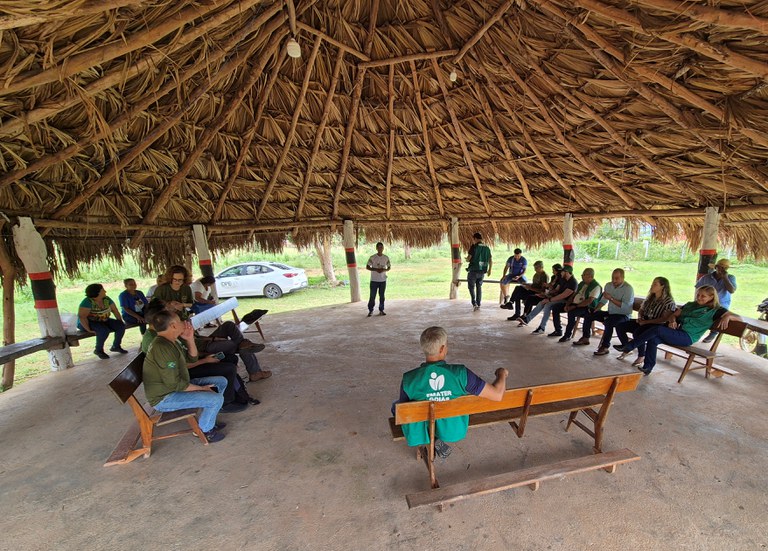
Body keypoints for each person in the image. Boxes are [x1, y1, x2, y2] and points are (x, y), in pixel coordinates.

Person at [393, 326, 508, 458]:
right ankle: (436, 437)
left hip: (424, 428)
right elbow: (498, 395)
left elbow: (405, 412)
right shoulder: (461, 374)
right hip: (453, 430)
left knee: (398, 407)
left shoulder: (409, 378)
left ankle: (428, 439)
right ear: (442, 349)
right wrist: (502, 374)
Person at [141, 302, 250, 413]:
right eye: (168, 312)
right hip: (181, 375)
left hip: (183, 370)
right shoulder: (159, 342)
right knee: (228, 368)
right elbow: (175, 376)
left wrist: (190, 339)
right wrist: (205, 361)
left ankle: (237, 394)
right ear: (162, 319)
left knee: (230, 359)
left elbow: (189, 357)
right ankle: (225, 403)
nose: (171, 312)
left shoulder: (169, 336)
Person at [142, 309, 227, 442]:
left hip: (176, 387)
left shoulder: (171, 341)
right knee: (215, 399)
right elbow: (174, 384)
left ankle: (209, 420)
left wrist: (189, 338)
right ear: (173, 326)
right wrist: (202, 389)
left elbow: (192, 359)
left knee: (221, 381)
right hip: (164, 397)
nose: (184, 322)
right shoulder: (162, 347)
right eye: (180, 320)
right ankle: (205, 431)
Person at [617, 285, 738, 375]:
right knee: (653, 338)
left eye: (703, 296)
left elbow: (739, 318)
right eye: (698, 294)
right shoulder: (691, 304)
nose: (699, 298)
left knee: (657, 329)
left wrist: (727, 316)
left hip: (687, 336)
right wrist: (673, 320)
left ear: (711, 297)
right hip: (676, 332)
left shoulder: (716, 310)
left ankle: (630, 346)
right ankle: (648, 367)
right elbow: (674, 314)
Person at [614, 277, 677, 367]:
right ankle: (626, 347)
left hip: (655, 325)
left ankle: (641, 356)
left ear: (662, 286)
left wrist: (646, 322)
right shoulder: (651, 297)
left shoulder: (668, 302)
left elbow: (664, 319)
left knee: (638, 333)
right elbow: (641, 309)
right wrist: (640, 317)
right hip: (644, 321)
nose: (652, 286)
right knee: (620, 326)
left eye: (655, 284)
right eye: (652, 283)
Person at [577, 268, 634, 354]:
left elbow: (626, 307)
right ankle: (585, 337)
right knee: (589, 315)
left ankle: (604, 347)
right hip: (611, 313)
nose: (614, 280)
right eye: (612, 278)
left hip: (623, 315)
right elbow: (604, 300)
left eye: (617, 278)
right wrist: (596, 309)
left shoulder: (628, 289)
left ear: (623, 278)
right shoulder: (608, 285)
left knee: (608, 322)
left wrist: (611, 298)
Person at [518, 265, 576, 335]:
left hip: (566, 301)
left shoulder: (573, 282)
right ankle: (527, 319)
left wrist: (549, 299)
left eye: (562, 272)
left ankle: (542, 328)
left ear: (566, 272)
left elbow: (563, 296)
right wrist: (546, 295)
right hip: (559, 298)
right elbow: (557, 291)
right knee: (541, 302)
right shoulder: (564, 280)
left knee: (547, 305)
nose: (561, 273)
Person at [77, 283, 127, 359]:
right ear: (97, 292)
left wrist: (119, 321)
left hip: (103, 319)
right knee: (103, 331)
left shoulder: (106, 299)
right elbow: (82, 317)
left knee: (121, 326)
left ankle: (116, 346)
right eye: (103, 290)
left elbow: (115, 310)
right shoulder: (87, 302)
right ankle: (98, 350)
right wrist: (88, 330)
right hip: (88, 322)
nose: (105, 291)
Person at [695, 258, 737, 343]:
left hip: (721, 304)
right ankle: (697, 331)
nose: (722, 270)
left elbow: (732, 290)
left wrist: (725, 278)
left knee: (719, 315)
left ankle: (714, 332)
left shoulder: (730, 278)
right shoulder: (706, 277)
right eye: (720, 267)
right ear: (716, 267)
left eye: (725, 268)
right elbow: (698, 288)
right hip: (705, 303)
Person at [557, 268, 602, 343]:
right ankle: (558, 330)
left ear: (590, 276)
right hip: (575, 304)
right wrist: (567, 304)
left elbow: (589, 301)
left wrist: (574, 306)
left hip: (587, 307)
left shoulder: (596, 286)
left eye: (584, 275)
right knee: (556, 308)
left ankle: (567, 335)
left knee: (572, 312)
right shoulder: (582, 283)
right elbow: (573, 295)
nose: (582, 276)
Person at [466, 232, 492, 311]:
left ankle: (474, 303)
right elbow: (490, 260)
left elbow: (469, 258)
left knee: (471, 287)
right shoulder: (487, 248)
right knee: (479, 287)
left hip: (473, 270)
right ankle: (479, 303)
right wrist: (489, 270)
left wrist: (467, 259)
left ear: (475, 239)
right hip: (482, 271)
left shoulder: (474, 247)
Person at [366, 242, 391, 317]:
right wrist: (376, 269)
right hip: (374, 280)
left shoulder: (386, 257)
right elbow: (367, 267)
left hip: (383, 280)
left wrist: (384, 270)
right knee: (372, 296)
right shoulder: (372, 257)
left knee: (382, 296)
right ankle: (370, 310)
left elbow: (389, 267)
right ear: (376, 248)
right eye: (379, 247)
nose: (380, 249)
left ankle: (381, 310)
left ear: (383, 248)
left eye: (381, 247)